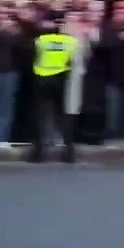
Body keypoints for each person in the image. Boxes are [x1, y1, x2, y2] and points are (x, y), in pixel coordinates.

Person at [27, 11, 78, 164]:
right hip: (62, 79)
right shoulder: (71, 42)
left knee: (40, 116)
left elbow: (31, 56)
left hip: (41, 79)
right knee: (63, 117)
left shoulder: (40, 40)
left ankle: (38, 152)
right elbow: (75, 61)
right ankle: (69, 152)